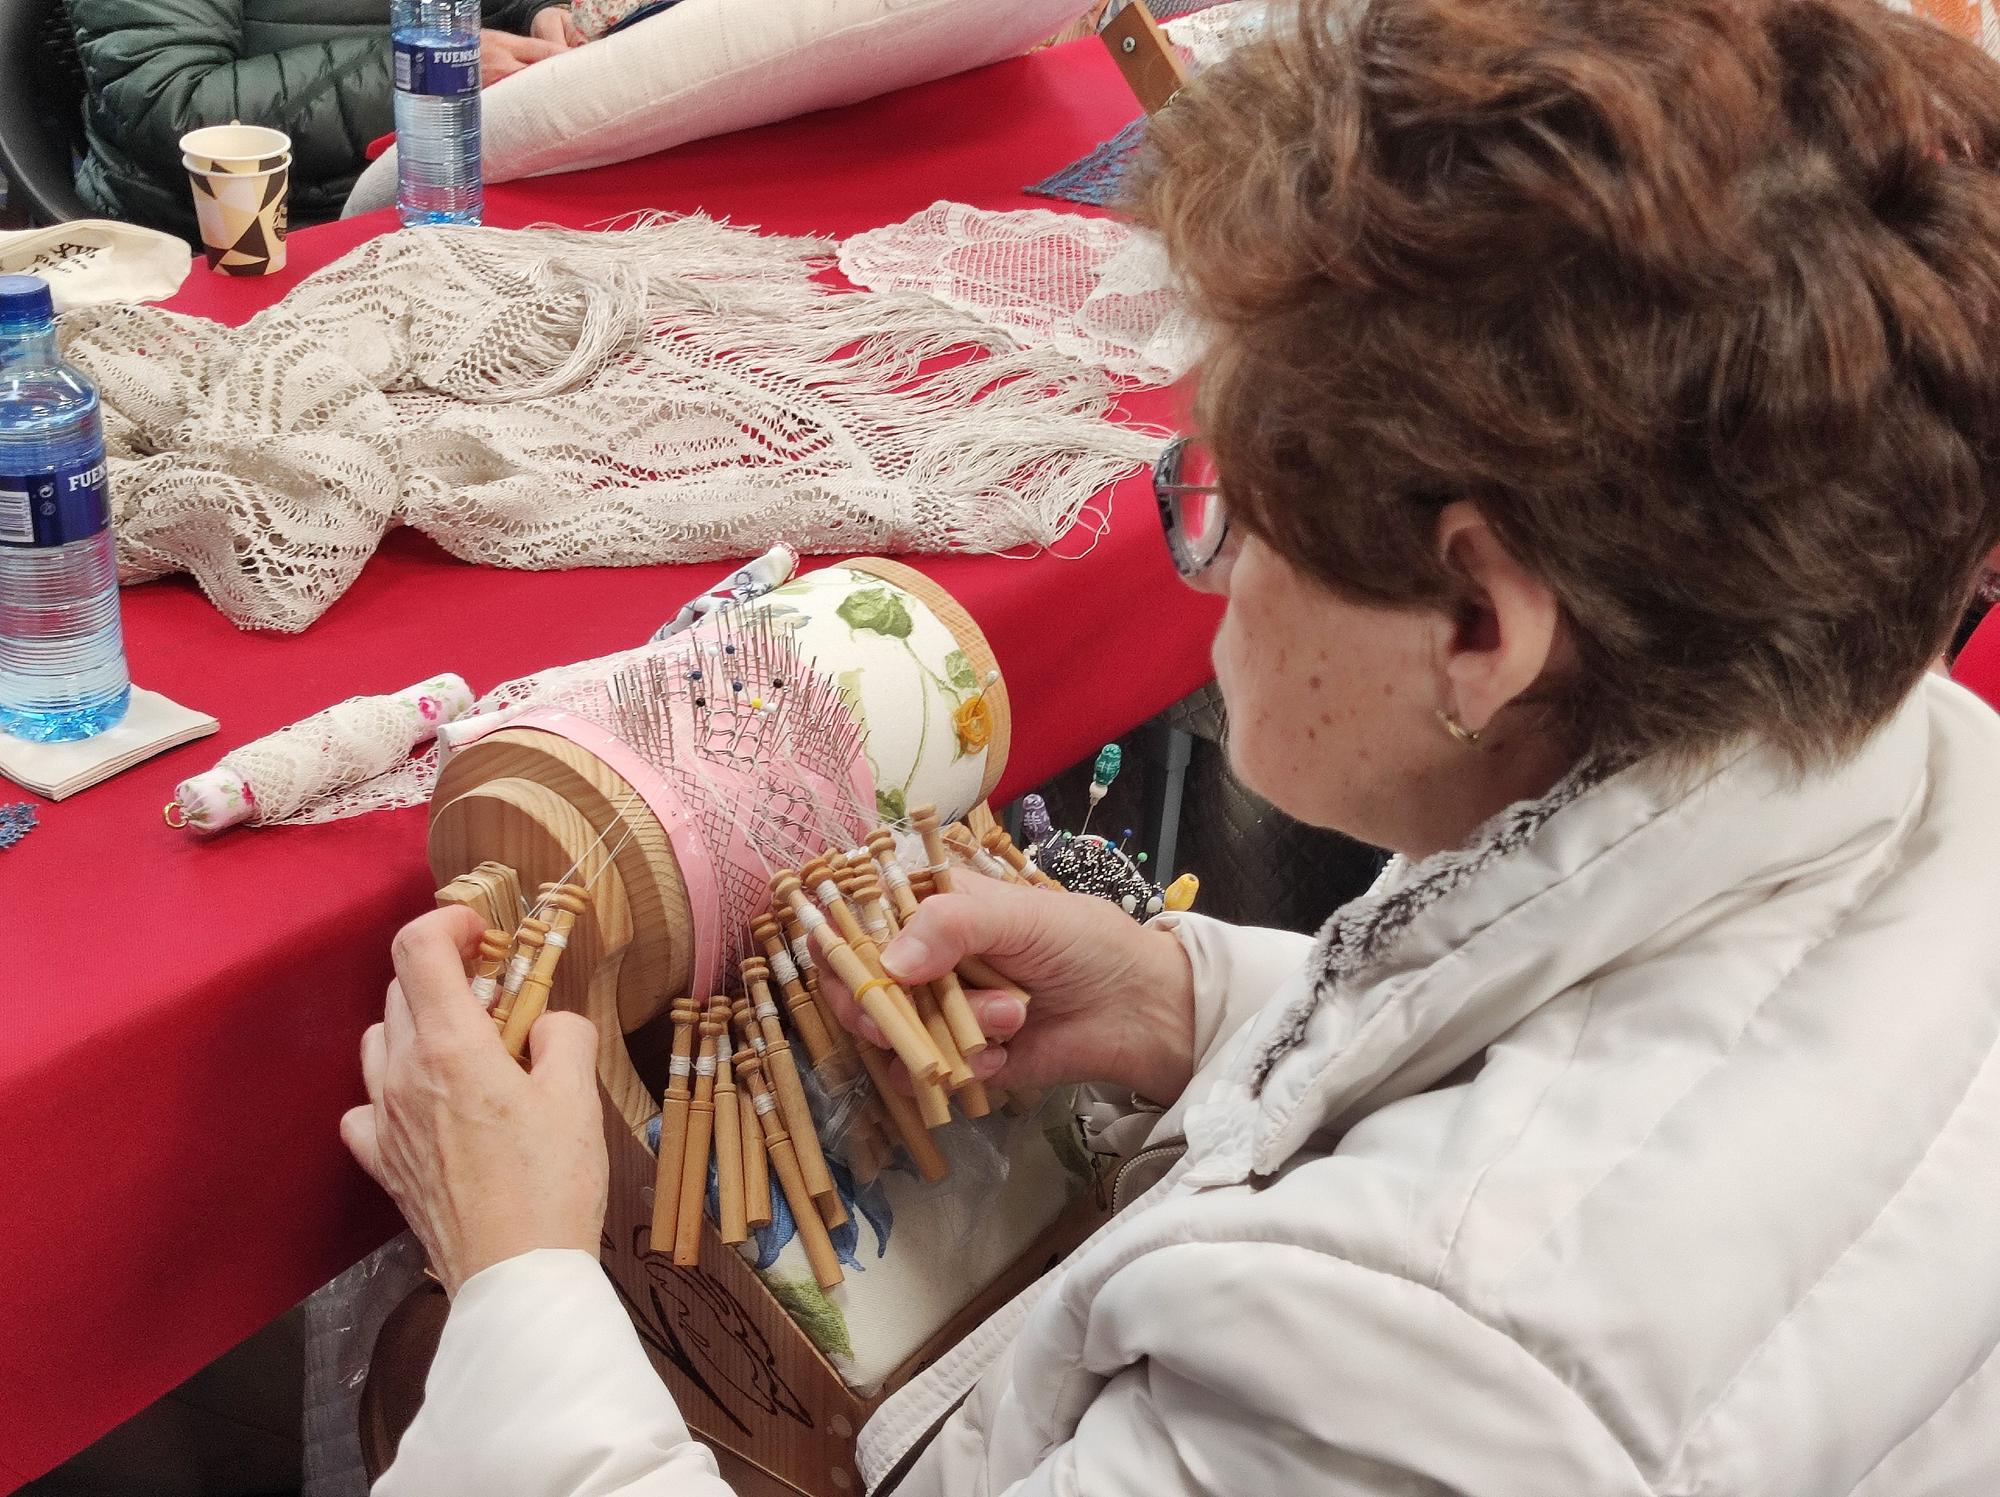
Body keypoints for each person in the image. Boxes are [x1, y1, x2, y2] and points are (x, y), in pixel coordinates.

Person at [341, 0, 2000, 1489]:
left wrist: (519, 1286)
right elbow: (1626, 1027)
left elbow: (1496, 1263)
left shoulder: (1406, 1373)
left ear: (1482, 626)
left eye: (1229, 508)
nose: (1209, 581)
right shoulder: (1909, 751)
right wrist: (1195, 1004)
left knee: (422, 1361)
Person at [68, 0, 581, 243]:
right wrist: (421, 68)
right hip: (245, 234)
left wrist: (533, 15)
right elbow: (172, 107)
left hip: (457, 194)